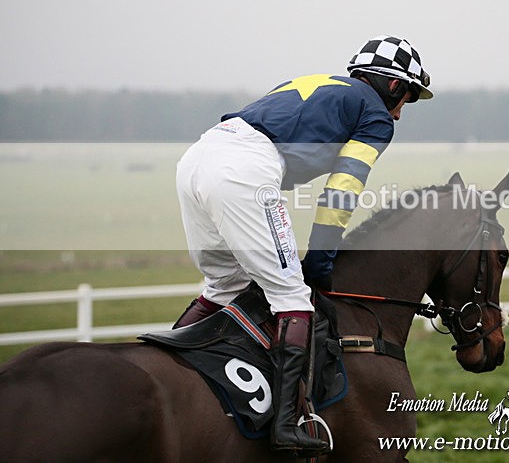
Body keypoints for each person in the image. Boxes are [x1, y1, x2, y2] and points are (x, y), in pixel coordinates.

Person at [172, 35, 433, 454]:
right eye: (408, 99)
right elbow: (341, 192)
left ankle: (169, 367)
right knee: (293, 296)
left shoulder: (324, 83)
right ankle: (291, 423)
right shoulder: (376, 115)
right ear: (394, 87)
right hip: (244, 170)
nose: (401, 114)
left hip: (197, 158)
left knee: (222, 288)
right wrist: (321, 261)